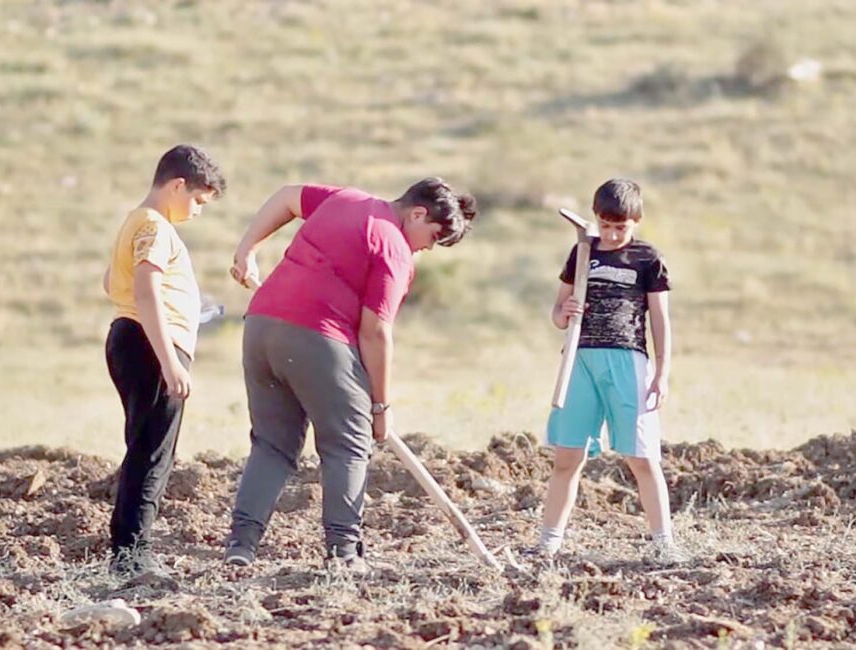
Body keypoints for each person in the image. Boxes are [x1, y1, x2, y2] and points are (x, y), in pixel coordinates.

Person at [223, 178, 477, 571]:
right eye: (432, 237)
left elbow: (288, 197)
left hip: (260, 326)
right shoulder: (394, 249)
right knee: (349, 443)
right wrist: (379, 405)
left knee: (272, 444)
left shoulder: (346, 199)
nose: (427, 248)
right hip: (317, 336)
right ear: (418, 213)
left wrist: (247, 249)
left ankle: (241, 544)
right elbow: (375, 331)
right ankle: (343, 550)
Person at [102, 145, 227, 576]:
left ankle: (127, 550)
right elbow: (146, 291)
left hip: (128, 337)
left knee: (143, 446)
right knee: (153, 452)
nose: (197, 211)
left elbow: (110, 283)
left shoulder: (134, 224)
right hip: (152, 346)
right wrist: (171, 361)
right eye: (197, 200)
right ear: (177, 185)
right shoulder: (156, 227)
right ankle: (132, 557)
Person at [537, 178, 678, 559]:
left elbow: (660, 319)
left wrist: (662, 373)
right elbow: (557, 312)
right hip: (580, 359)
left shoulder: (648, 258)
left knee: (642, 457)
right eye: (606, 225)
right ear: (596, 219)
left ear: (637, 221)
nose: (613, 234)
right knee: (568, 456)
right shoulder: (582, 252)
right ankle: (549, 543)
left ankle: (664, 544)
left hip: (628, 360)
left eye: (622, 227)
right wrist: (563, 314)